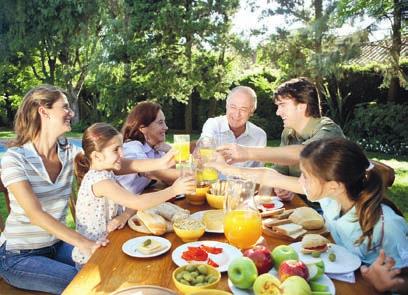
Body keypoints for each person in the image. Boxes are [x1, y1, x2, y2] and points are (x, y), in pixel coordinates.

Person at [0, 85, 176, 294]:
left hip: (58, 244)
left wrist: (161, 163)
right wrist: (86, 244)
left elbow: (121, 164)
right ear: (43, 111)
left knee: (117, 265)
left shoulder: (68, 152)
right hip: (20, 256)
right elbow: (36, 215)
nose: (71, 113)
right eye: (65, 107)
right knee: (88, 283)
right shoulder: (15, 158)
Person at [210, 137, 408, 293]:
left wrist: (390, 283)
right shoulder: (331, 196)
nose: (300, 180)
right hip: (340, 278)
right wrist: (226, 169)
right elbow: (269, 176)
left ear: (334, 185)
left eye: (306, 176)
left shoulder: (387, 225)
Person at [72, 123, 195, 268]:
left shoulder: (107, 170)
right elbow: (137, 202)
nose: (122, 154)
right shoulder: (100, 182)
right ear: (97, 156)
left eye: (121, 148)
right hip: (92, 260)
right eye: (115, 150)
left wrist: (124, 216)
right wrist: (174, 190)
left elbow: (139, 168)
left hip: (109, 245)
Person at [217, 77, 344, 201]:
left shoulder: (330, 131)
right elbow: (278, 171)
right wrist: (281, 188)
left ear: (301, 106)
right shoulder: (288, 133)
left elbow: (305, 153)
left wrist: (247, 153)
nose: (278, 112)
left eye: (282, 105)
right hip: (299, 205)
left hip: (332, 212)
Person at [116, 101, 179, 195]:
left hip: (136, 203)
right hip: (120, 206)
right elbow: (149, 172)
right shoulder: (132, 147)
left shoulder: (157, 149)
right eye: (160, 123)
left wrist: (169, 150)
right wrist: (194, 174)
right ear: (143, 128)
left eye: (164, 122)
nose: (166, 127)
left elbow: (169, 180)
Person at [200, 85, 267, 168]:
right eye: (233, 107)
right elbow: (204, 151)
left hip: (244, 180)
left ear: (252, 111)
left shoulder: (259, 135)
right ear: (226, 106)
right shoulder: (213, 125)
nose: (237, 114)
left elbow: (259, 171)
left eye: (243, 109)